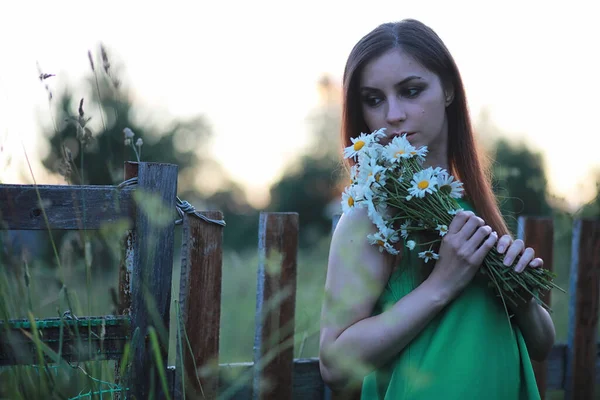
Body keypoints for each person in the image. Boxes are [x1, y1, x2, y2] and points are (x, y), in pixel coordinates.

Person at [319, 19, 555, 399]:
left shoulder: (474, 207)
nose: (392, 114)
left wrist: (524, 300)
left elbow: (542, 345)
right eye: (374, 99)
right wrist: (441, 284)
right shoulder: (372, 216)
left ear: (448, 89)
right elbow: (334, 365)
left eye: (411, 91)